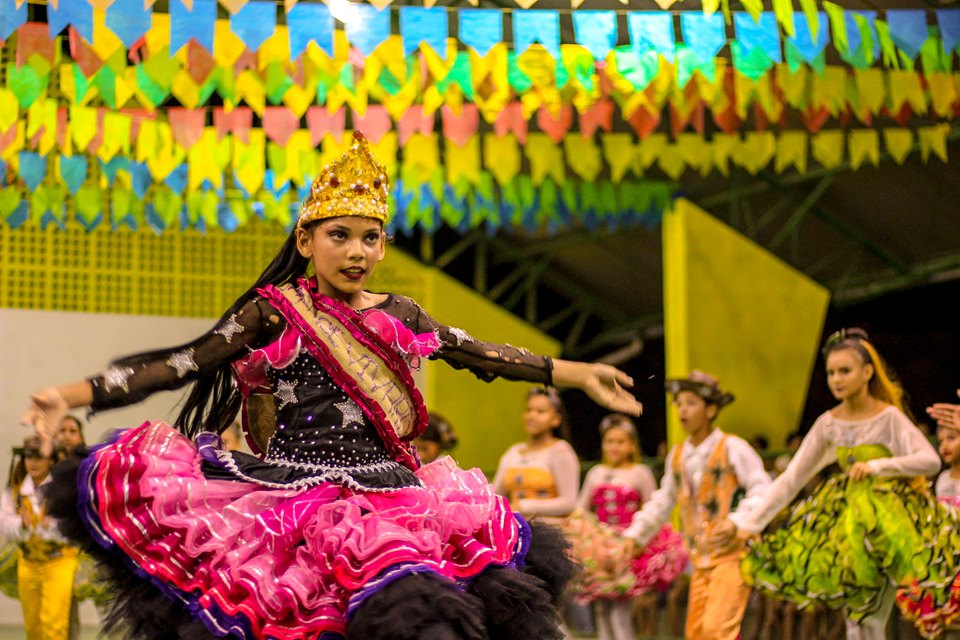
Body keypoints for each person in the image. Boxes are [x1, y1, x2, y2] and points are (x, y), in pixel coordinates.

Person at [21, 132, 642, 640]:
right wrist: (72, 395)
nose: (356, 251)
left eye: (370, 238)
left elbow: (480, 353)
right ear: (306, 239)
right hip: (289, 507)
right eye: (339, 235)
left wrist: (581, 373)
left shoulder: (400, 313)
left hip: (397, 502)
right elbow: (184, 362)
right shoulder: (273, 311)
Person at [735, 328, 958, 640]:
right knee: (858, 614)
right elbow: (791, 478)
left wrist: (878, 466)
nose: (836, 379)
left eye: (844, 371)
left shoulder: (888, 417)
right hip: (849, 524)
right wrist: (752, 523)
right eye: (830, 373)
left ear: (867, 372)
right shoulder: (829, 424)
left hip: (891, 524)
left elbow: (929, 460)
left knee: (877, 612)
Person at [621, 370, 771, 640]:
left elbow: (763, 488)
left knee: (717, 629)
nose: (683, 410)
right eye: (679, 403)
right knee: (698, 632)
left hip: (731, 554)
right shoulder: (678, 455)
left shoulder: (732, 447)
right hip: (699, 558)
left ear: (711, 409)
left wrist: (738, 521)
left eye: (691, 403)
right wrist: (635, 536)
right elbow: (664, 500)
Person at [564, 414, 687, 640]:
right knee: (601, 608)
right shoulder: (595, 473)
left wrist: (642, 541)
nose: (614, 446)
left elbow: (653, 509)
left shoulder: (640, 473)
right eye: (609, 441)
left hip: (627, 547)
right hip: (601, 551)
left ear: (631, 444)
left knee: (621, 608)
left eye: (620, 441)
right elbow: (581, 509)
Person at [0, 437, 79, 640]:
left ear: (51, 460)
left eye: (40, 457)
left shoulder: (61, 490)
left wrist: (50, 527)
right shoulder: (15, 491)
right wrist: (22, 525)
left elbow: (72, 529)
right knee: (33, 626)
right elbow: (4, 524)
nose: (34, 463)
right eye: (29, 457)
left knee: (54, 626)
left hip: (58, 561)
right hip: (28, 563)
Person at [491, 387, 580, 525]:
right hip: (517, 527)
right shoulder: (513, 452)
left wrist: (524, 506)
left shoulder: (561, 451)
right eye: (528, 410)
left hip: (552, 530)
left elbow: (568, 503)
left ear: (555, 419)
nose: (532, 416)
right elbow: (495, 496)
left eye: (540, 412)